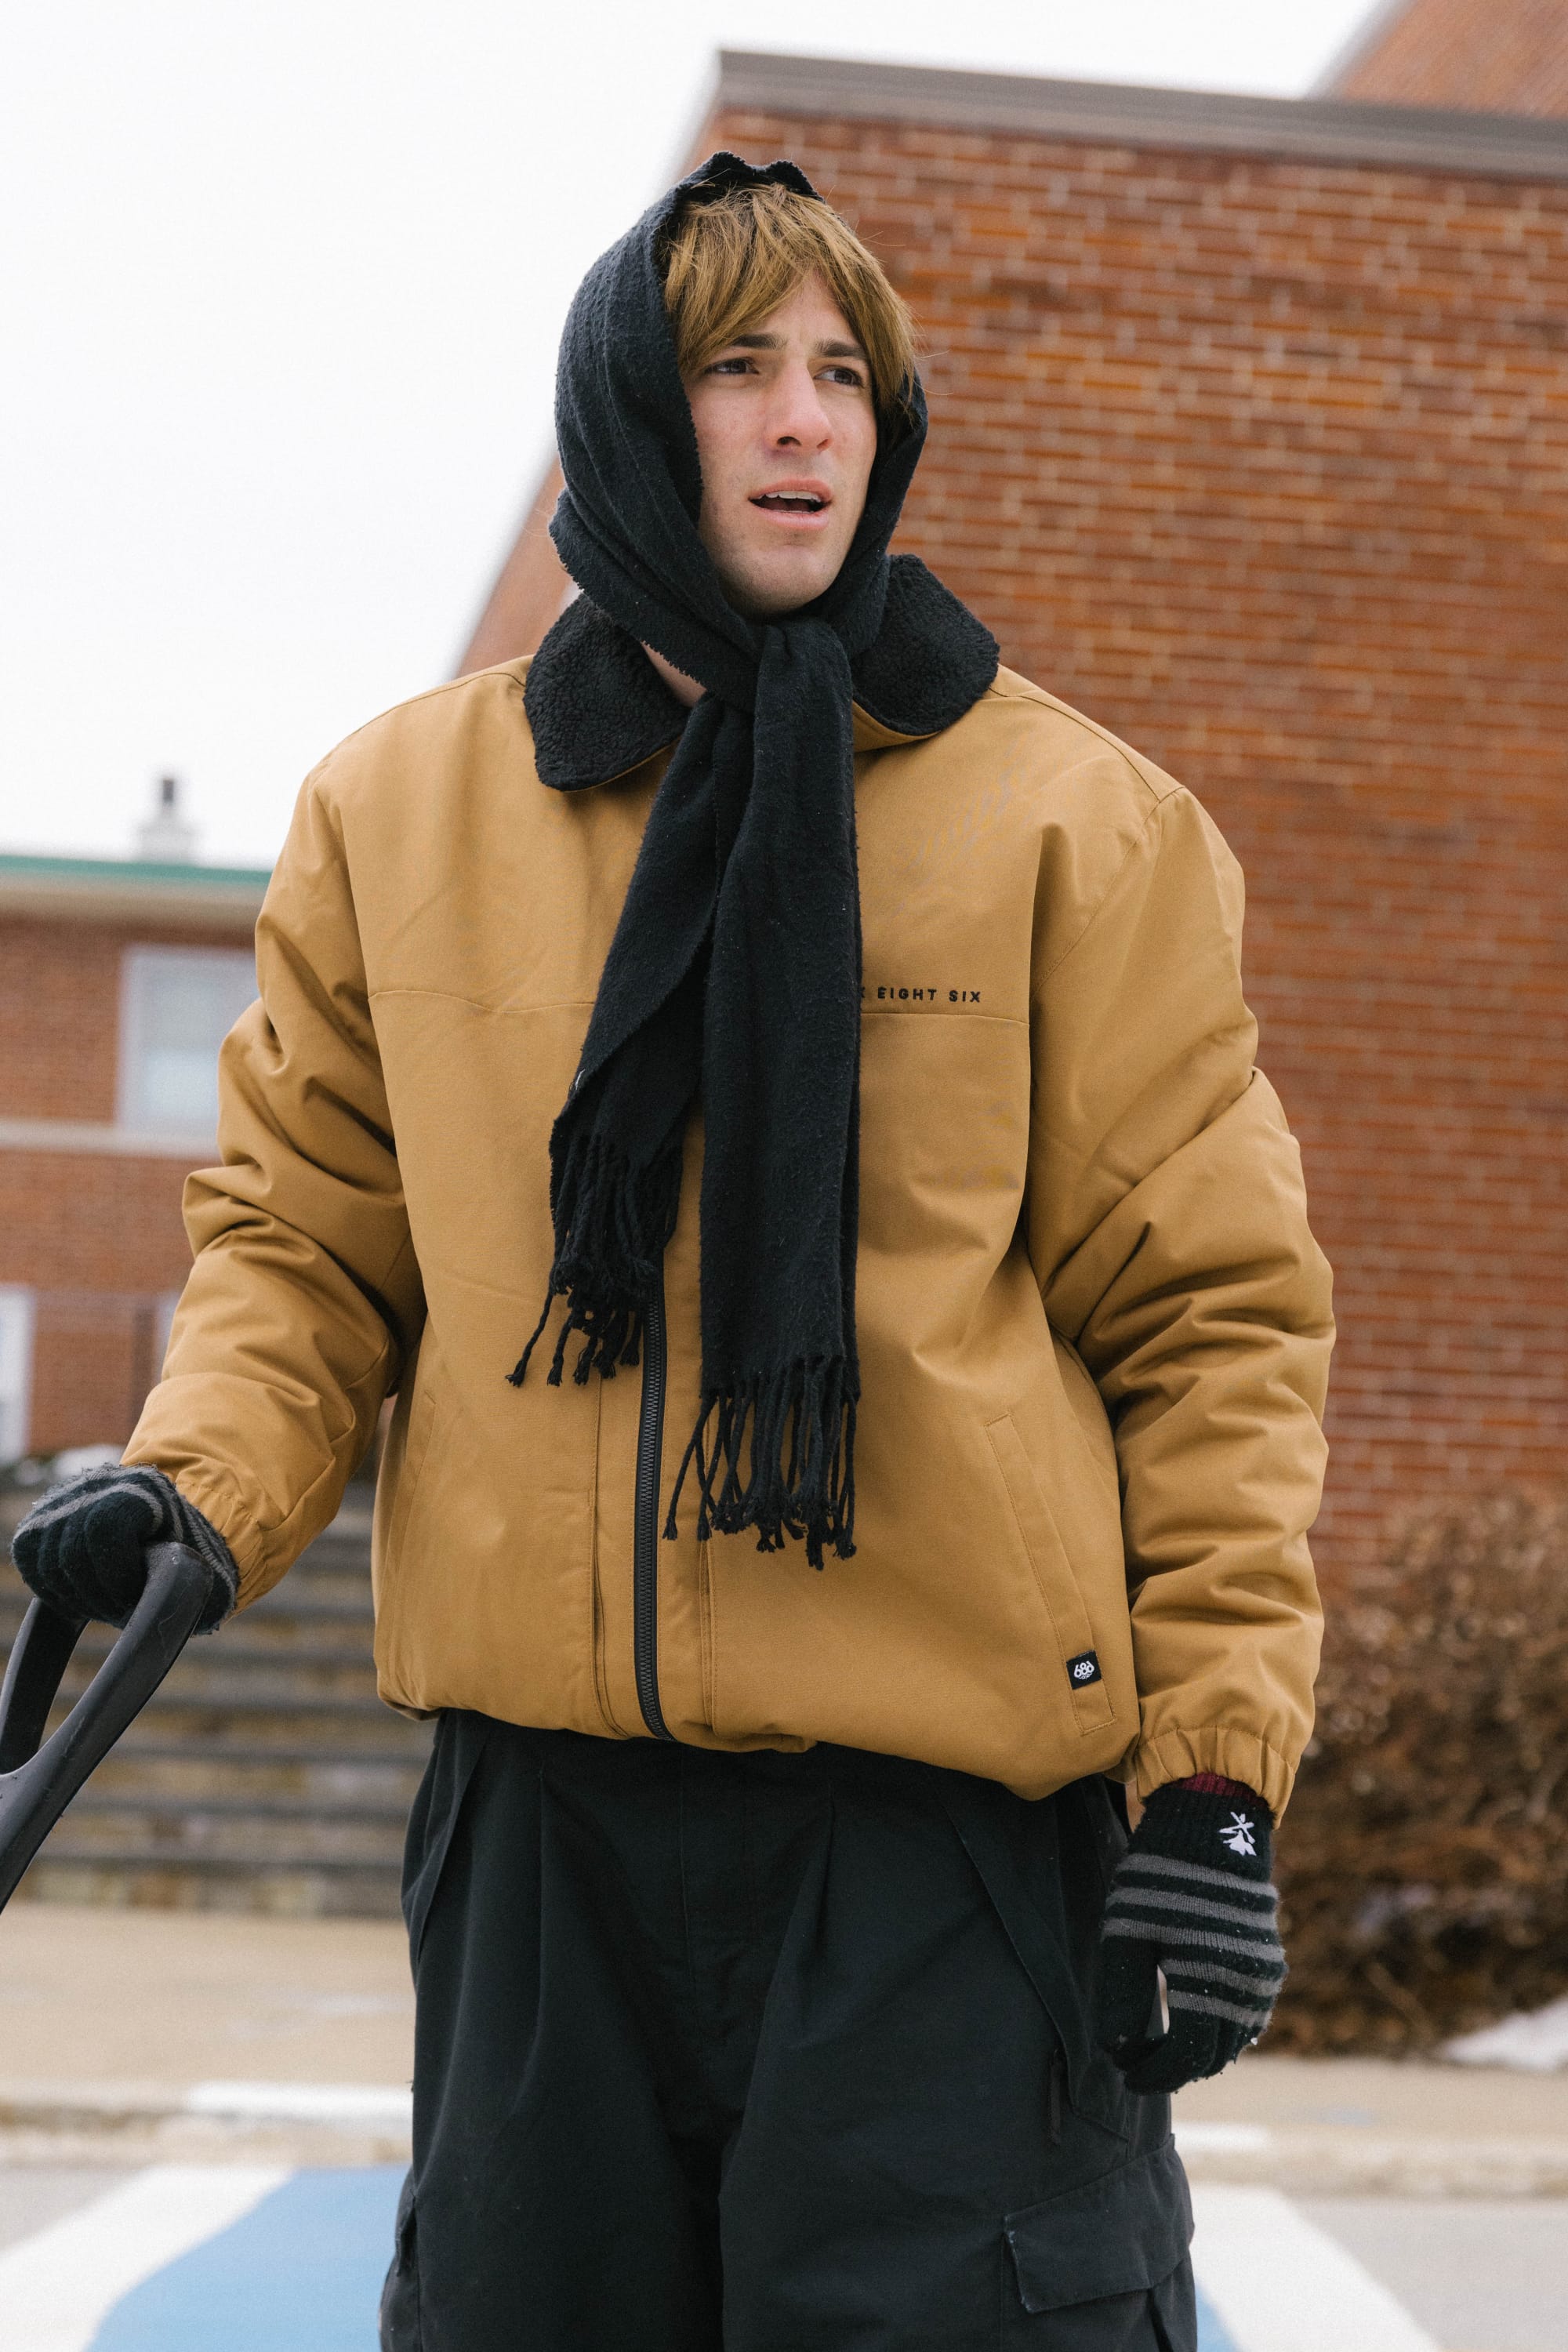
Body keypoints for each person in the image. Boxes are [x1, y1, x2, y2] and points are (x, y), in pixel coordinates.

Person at [13, 154, 1334, 2350]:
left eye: (846, 375)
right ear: (630, 411)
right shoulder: (397, 819)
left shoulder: (1074, 827)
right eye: (742, 369)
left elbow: (1212, 1329)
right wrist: (195, 1484)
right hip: (545, 1866)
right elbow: (305, 1245)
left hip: (938, 1868)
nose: (810, 420)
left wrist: (1209, 1780)